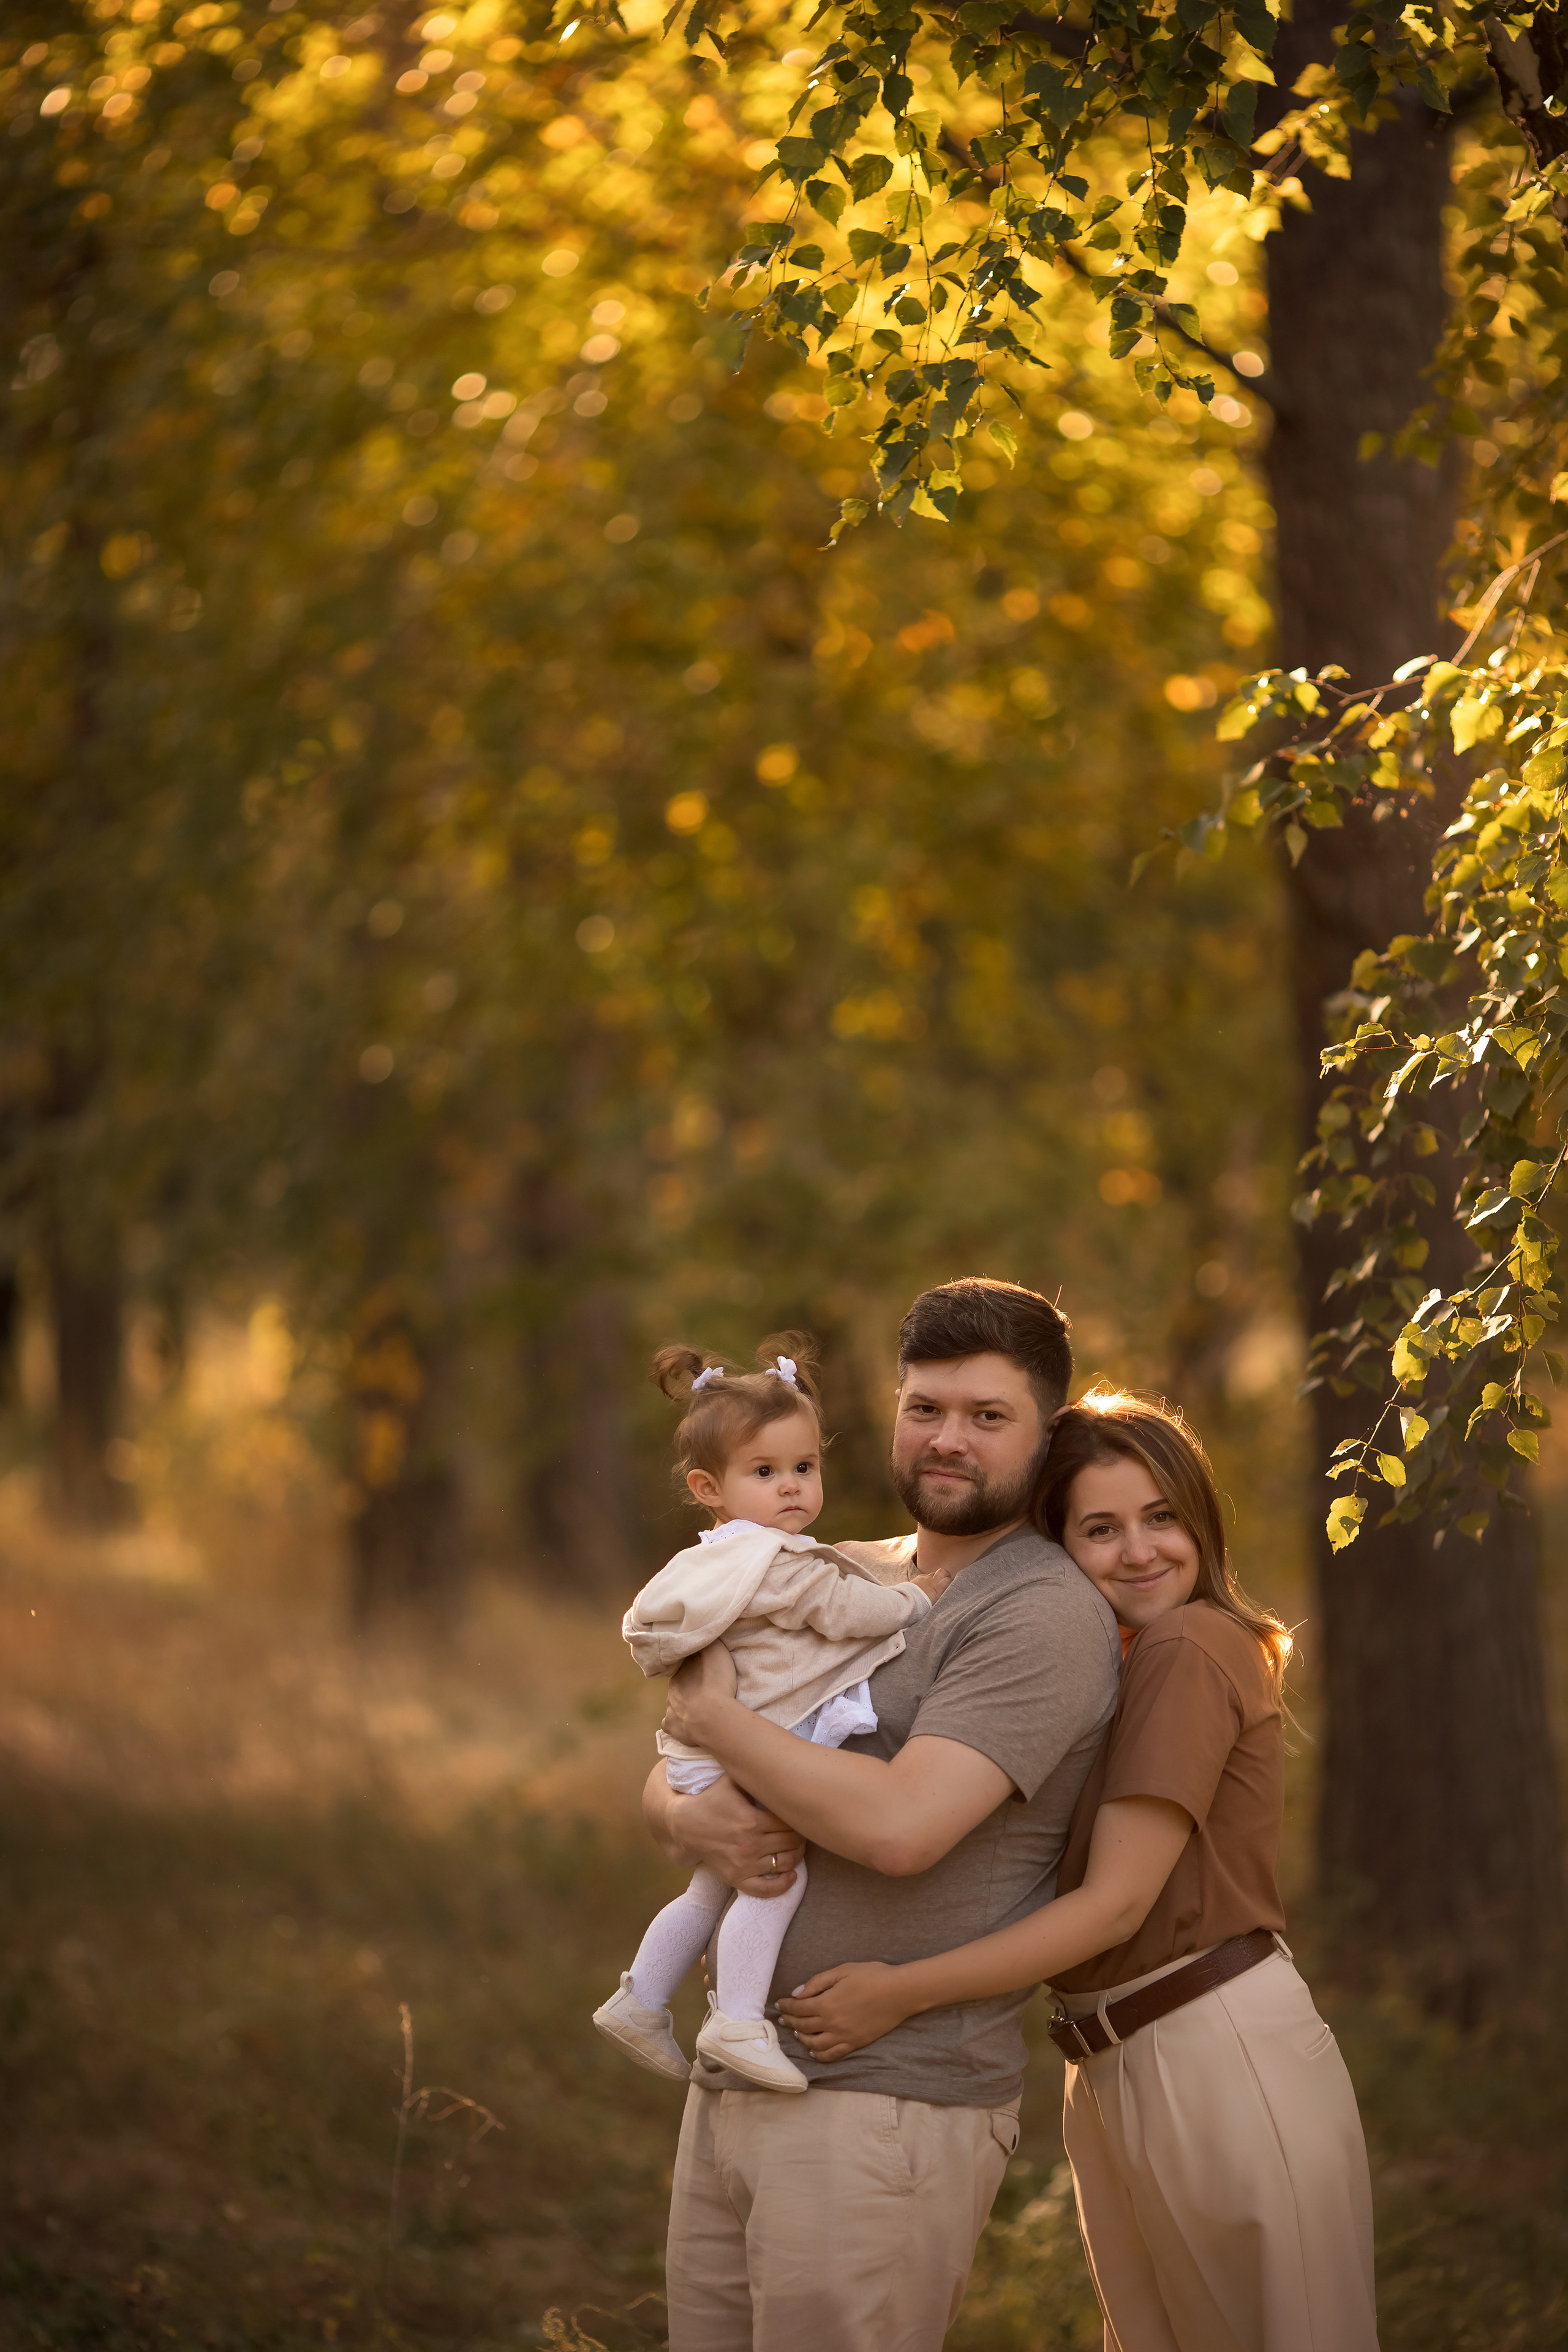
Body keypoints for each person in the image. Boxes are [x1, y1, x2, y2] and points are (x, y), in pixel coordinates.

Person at [779, 1387, 1380, 2352]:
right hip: (1116, 2055)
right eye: (1101, 1528)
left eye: (1162, 1518)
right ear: (1059, 1547)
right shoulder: (1115, 1663)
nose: (1139, 1551)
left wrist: (902, 1992)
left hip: (1210, 2045)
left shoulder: (1188, 1645)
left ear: (1203, 1524)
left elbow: (1116, 1906)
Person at [644, 1277, 1122, 2352]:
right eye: (927, 1409)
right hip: (734, 2081)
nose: (949, 1440)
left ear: (1047, 1434)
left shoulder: (1041, 1613)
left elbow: (904, 1828)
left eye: (987, 1418)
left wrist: (720, 1728)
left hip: (885, 2109)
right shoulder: (838, 1572)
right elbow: (672, 1764)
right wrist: (693, 1821)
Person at [594, 1332, 933, 2092]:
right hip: (751, 1749)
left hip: (703, 1754)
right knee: (776, 1879)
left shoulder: (708, 1558)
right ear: (709, 1487)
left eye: (805, 1468)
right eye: (765, 1472)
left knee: (708, 1887)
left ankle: (640, 1999)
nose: (791, 1488)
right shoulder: (775, 1562)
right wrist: (915, 1598)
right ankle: (738, 2019)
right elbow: (846, 1611)